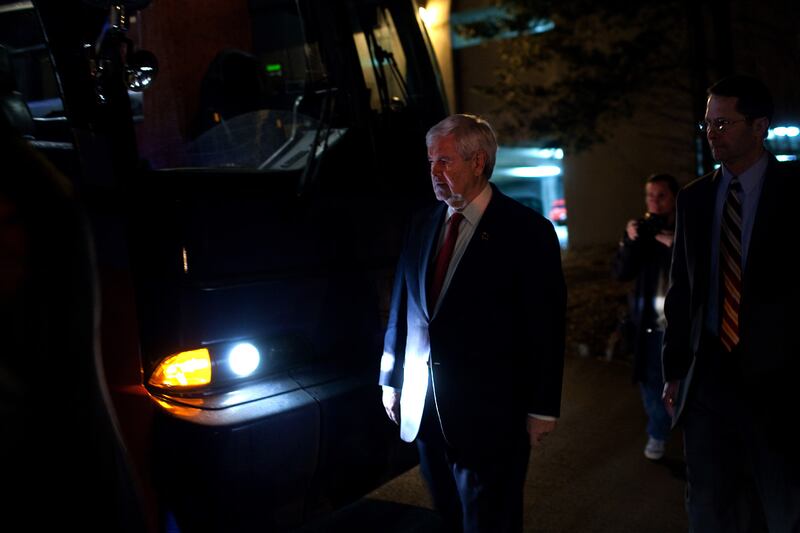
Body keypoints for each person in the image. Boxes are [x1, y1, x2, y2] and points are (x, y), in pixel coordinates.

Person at [378, 114, 566, 532]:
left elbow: (546, 325)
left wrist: (542, 407)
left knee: (491, 520)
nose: (434, 173)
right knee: (448, 516)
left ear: (478, 162)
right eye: (430, 162)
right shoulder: (423, 223)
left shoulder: (527, 231)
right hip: (425, 408)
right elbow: (403, 305)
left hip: (493, 416)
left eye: (444, 162)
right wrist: (390, 378)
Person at [661, 74, 800, 531]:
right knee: (707, 504)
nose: (712, 134)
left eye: (724, 123)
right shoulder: (695, 199)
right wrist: (675, 371)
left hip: (780, 382)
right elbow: (682, 289)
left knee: (782, 504)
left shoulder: (793, 190)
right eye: (707, 124)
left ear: (760, 126)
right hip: (708, 380)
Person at [613, 173, 678, 461]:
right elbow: (621, 273)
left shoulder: (687, 228)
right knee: (651, 382)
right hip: (649, 325)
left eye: (661, 195)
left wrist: (673, 243)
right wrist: (629, 241)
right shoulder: (640, 229)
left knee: (684, 381)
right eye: (650, 195)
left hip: (681, 325)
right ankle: (658, 433)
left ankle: (687, 433)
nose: (654, 201)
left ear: (674, 197)